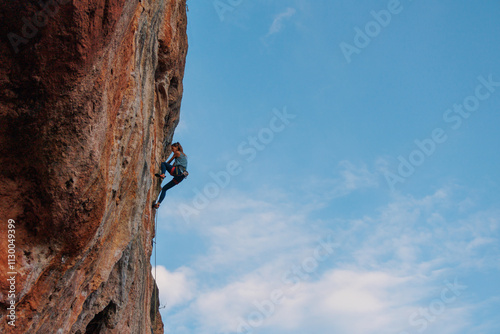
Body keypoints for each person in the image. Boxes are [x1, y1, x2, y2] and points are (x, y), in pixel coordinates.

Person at [153, 142, 188, 209]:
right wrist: (168, 167)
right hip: (179, 178)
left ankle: (163, 175)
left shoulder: (177, 152)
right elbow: (172, 166)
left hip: (177, 172)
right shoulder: (182, 157)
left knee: (164, 163)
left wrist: (162, 165)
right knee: (164, 189)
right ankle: (158, 204)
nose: (172, 150)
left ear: (177, 147)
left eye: (172, 148)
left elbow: (168, 162)